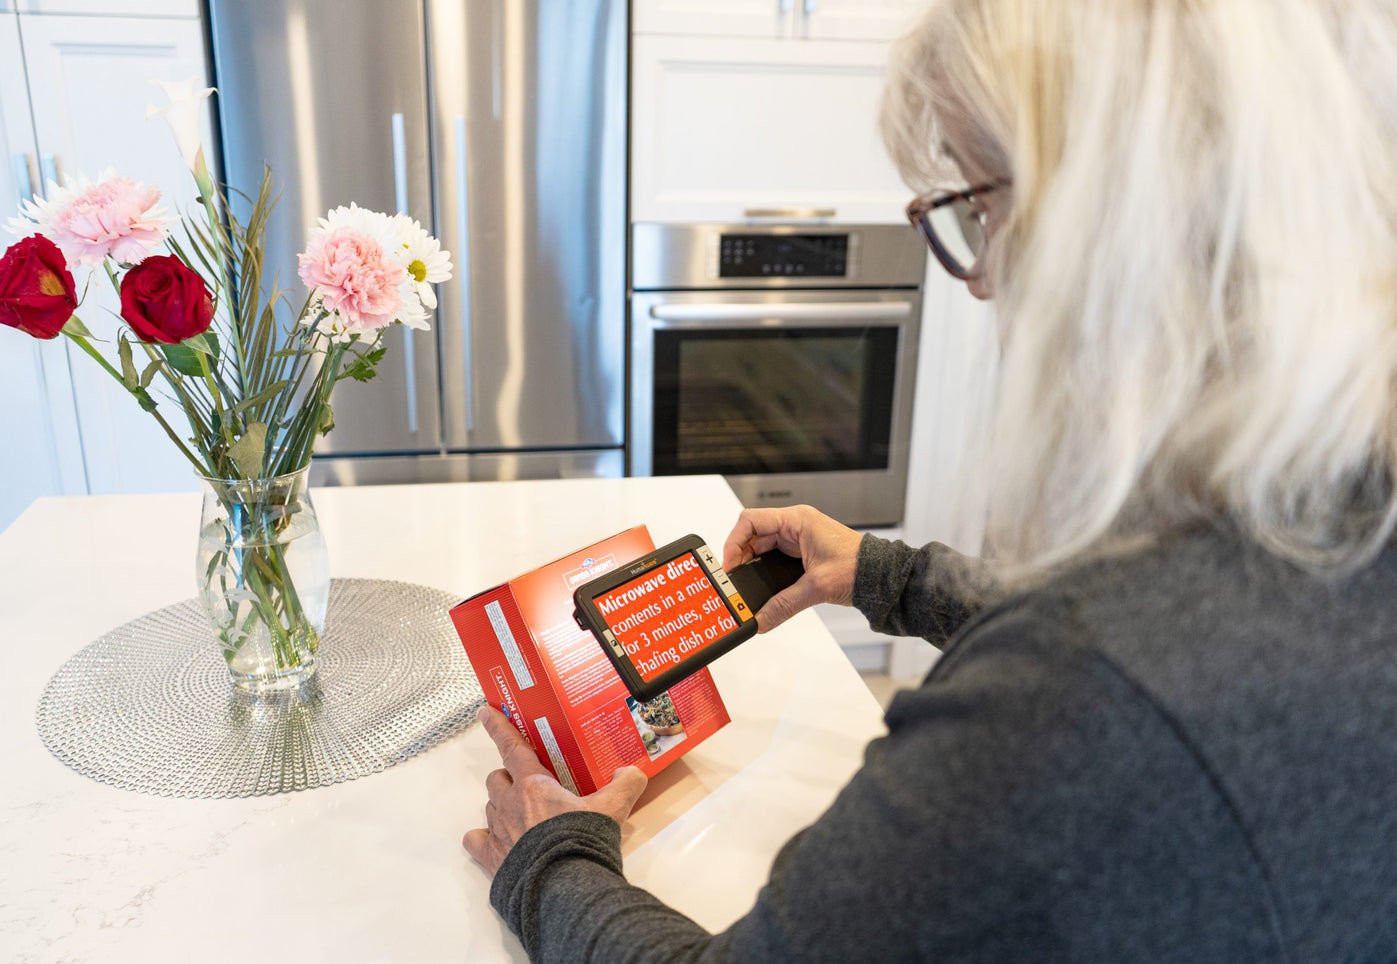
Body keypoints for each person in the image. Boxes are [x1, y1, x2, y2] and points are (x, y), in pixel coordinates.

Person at [462, 0, 1397, 959]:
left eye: (983, 209)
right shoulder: (1348, 516)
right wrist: (884, 575)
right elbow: (1183, 632)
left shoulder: (1065, 695)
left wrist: (549, 859)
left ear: (1112, 223)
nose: (981, 277)